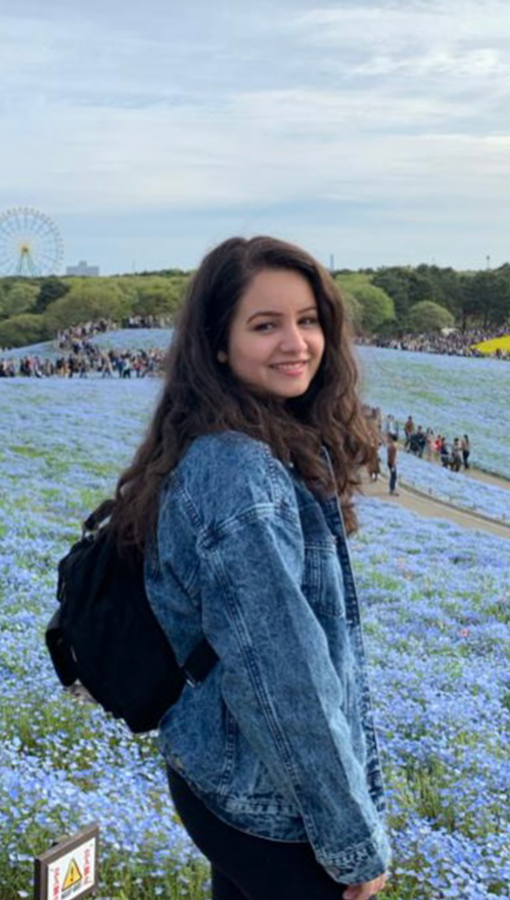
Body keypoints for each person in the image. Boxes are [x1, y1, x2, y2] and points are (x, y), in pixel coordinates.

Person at [110, 236, 391, 900]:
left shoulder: (254, 439)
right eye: (265, 326)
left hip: (224, 772)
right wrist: (353, 840)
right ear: (218, 343)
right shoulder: (239, 472)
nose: (296, 342)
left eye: (308, 319)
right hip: (267, 796)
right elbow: (283, 676)